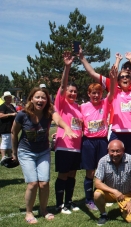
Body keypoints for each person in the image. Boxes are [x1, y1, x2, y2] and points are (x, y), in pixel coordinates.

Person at [11, 87, 78, 224]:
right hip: (26, 152)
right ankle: (29, 212)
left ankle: (43, 210)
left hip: (43, 152)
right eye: (37, 97)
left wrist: (66, 128)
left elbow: (58, 120)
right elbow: (13, 132)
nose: (40, 100)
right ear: (31, 99)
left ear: (47, 100)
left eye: (43, 98)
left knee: (44, 183)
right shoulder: (22, 115)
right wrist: (14, 152)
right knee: (33, 183)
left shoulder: (49, 112)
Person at [80, 66, 117, 210]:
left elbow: (112, 92)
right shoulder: (83, 106)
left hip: (102, 141)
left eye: (99, 93)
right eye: (93, 93)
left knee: (104, 170)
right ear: (89, 94)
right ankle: (89, 199)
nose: (96, 95)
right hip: (88, 142)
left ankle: (104, 195)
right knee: (90, 171)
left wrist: (113, 78)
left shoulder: (105, 103)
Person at [54, 51, 84, 214]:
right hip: (64, 146)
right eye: (70, 91)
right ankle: (59, 205)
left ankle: (69, 202)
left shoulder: (77, 107)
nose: (72, 93)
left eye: (75, 91)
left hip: (76, 148)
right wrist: (67, 67)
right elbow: (63, 85)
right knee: (63, 175)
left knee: (72, 175)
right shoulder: (61, 103)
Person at [94, 139, 131, 225]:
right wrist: (114, 191)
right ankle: (103, 214)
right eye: (112, 151)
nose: (115, 154)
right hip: (110, 193)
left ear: (123, 150)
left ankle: (124, 208)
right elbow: (97, 183)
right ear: (108, 151)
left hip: (127, 194)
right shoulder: (103, 161)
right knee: (97, 194)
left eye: (118, 151)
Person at [0, 91, 17, 163]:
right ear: (5, 98)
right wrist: (11, 114)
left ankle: (10, 155)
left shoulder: (12, 106)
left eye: (10, 98)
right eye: (7, 98)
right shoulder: (3, 106)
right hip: (5, 127)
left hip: (11, 127)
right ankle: (3, 156)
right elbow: (1, 115)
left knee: (10, 141)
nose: (9, 99)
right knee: (5, 141)